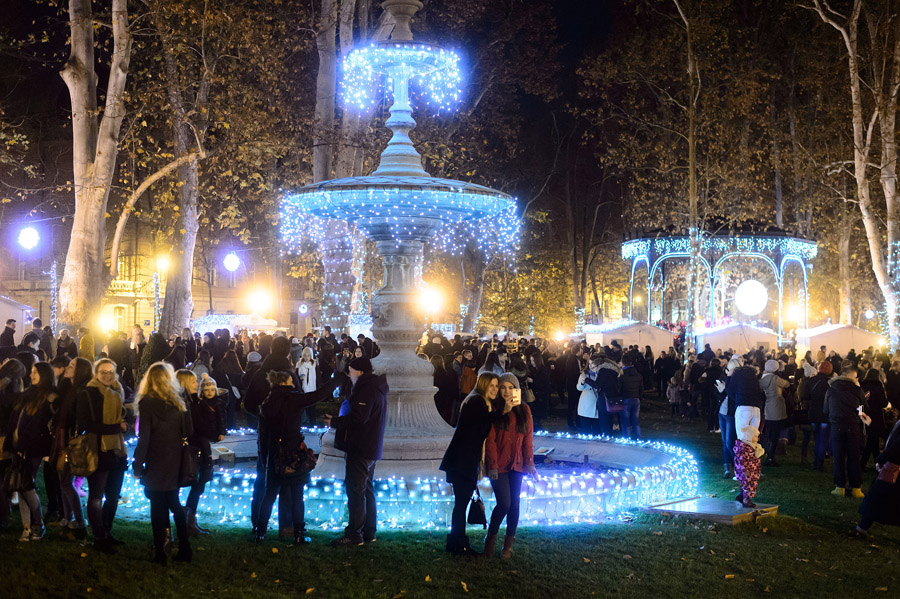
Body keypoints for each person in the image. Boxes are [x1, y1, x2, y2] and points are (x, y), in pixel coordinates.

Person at [255, 370, 344, 545]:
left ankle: (260, 532)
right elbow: (317, 395)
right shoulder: (292, 399)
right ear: (286, 382)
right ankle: (299, 534)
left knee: (269, 495)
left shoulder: (267, 402)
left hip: (274, 455)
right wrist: (337, 379)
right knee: (297, 496)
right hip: (294, 453)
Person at [133, 362, 193, 565]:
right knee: (174, 504)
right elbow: (188, 431)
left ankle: (160, 551)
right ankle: (185, 547)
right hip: (174, 458)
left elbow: (145, 438)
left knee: (157, 507)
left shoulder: (147, 404)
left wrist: (137, 465)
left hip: (155, 459)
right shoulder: (179, 402)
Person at [440, 372, 501, 557]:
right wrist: (502, 411)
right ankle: (459, 545)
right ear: (482, 385)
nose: (495, 389)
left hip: (463, 461)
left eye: (496, 386)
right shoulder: (476, 403)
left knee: (460, 504)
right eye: (491, 385)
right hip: (462, 462)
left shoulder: (479, 403)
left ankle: (456, 543)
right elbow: (478, 426)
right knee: (460, 504)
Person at [330, 357, 388, 547]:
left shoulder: (366, 390)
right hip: (370, 446)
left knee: (356, 491)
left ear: (361, 372)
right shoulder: (374, 387)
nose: (349, 373)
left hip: (361, 447)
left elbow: (359, 418)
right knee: (366, 490)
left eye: (351, 370)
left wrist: (335, 422)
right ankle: (368, 531)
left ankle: (355, 534)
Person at [76, 357, 127, 553]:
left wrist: (125, 422)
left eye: (110, 372)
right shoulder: (88, 393)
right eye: (103, 372)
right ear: (96, 374)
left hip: (116, 450)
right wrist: (115, 427)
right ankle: (99, 536)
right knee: (96, 496)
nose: (107, 376)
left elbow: (124, 415)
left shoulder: (118, 392)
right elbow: (84, 424)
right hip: (97, 449)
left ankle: (107, 531)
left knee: (113, 496)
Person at [483, 373, 537, 559]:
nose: (506, 391)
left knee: (514, 504)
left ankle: (508, 545)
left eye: (510, 388)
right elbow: (490, 441)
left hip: (517, 464)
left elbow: (527, 439)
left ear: (517, 390)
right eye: (503, 387)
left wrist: (530, 463)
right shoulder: (495, 409)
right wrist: (492, 466)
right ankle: (490, 538)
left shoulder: (524, 410)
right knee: (504, 503)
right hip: (499, 466)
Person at [5, 361, 56, 541]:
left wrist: (23, 446)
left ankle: (38, 524)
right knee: (20, 486)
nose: (32, 375)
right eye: (31, 371)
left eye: (36, 372)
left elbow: (39, 425)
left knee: (27, 487)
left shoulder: (49, 396)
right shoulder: (28, 394)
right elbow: (15, 419)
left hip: (31, 449)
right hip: (17, 447)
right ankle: (27, 527)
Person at [50, 357, 93, 539]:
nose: (68, 367)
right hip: (62, 438)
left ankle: (79, 524)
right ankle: (68, 520)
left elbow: (81, 419)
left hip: (71, 441)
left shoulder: (82, 391)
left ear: (80, 370)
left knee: (67, 481)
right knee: (63, 481)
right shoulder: (69, 388)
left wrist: (72, 439)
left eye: (72, 366)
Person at [183, 373, 226, 537]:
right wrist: (214, 434)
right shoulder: (195, 403)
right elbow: (202, 427)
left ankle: (189, 521)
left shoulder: (198, 402)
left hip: (200, 447)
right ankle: (188, 522)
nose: (196, 384)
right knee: (197, 485)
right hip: (197, 448)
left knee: (198, 486)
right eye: (193, 382)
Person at [824, 364, 866, 498]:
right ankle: (856, 488)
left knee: (838, 457)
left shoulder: (831, 390)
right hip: (853, 426)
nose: (856, 379)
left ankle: (839, 487)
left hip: (836, 426)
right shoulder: (857, 390)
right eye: (855, 377)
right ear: (849, 376)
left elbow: (825, 410)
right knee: (854, 457)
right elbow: (863, 409)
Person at [855, 418, 900, 538]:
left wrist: (882, 458)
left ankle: (862, 528)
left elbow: (897, 447)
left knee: (877, 497)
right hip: (893, 467)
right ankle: (862, 527)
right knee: (877, 498)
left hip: (894, 467)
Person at [760, 360, 790, 467]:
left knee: (769, 432)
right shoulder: (775, 378)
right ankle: (770, 457)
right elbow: (786, 384)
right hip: (776, 407)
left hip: (767, 408)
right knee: (775, 434)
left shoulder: (762, 379)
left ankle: (768, 454)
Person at [860, 367, 888, 471]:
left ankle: (866, 464)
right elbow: (883, 402)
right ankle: (876, 464)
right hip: (876, 416)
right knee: (873, 440)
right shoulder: (878, 385)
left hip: (865, 415)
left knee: (873, 441)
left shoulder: (862, 384)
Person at [619, 354, 643, 439]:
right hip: (636, 399)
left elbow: (619, 389)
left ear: (623, 363)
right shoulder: (638, 375)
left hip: (625, 399)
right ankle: (638, 437)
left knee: (625, 421)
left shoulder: (622, 376)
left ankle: (627, 439)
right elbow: (641, 390)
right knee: (635, 420)